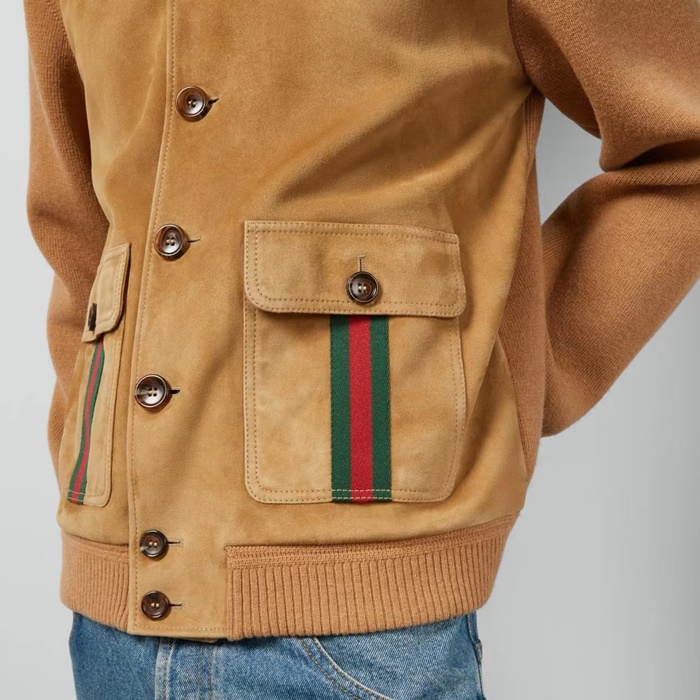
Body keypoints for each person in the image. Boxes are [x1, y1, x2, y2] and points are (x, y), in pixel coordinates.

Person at [22, 0, 699, 698]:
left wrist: (518, 374)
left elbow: (684, 138)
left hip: (369, 634)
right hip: (113, 617)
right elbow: (75, 224)